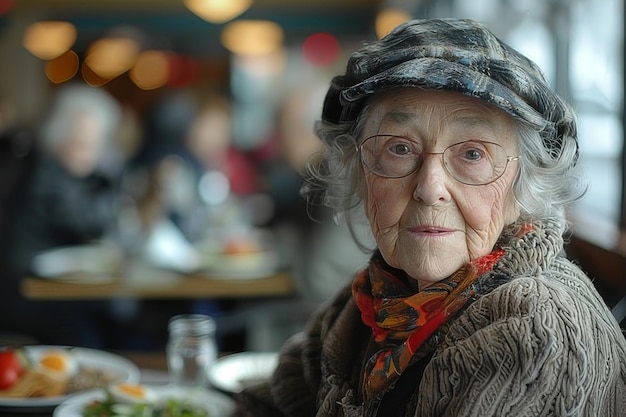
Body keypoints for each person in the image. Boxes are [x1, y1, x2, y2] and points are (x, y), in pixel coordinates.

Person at [232, 18, 626, 416]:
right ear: (362, 172)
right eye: (399, 149)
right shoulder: (375, 299)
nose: (429, 187)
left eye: (473, 154)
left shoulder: (538, 330)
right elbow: (265, 404)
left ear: (522, 187)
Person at [0, 83, 124, 347]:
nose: (92, 154)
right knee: (96, 332)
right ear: (58, 137)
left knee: (116, 317)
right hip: (24, 292)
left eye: (96, 144)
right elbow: (88, 223)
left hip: (42, 288)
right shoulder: (43, 173)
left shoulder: (55, 169)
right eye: (82, 144)